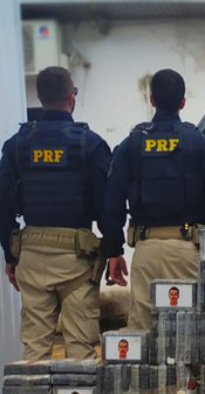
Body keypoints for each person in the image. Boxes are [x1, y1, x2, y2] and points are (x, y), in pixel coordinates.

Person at [104, 69, 205, 330]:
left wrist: (114, 250)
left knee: (142, 338)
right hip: (186, 250)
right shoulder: (197, 142)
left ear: (152, 100)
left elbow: (112, 200)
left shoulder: (132, 143)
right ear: (182, 102)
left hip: (145, 250)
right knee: (189, 336)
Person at [0, 67, 112, 361]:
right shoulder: (91, 144)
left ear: (39, 98)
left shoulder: (17, 145)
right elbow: (106, 206)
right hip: (77, 258)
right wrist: (113, 250)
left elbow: (2, 205)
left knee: (34, 352)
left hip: (33, 254)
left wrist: (10, 256)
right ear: (71, 98)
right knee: (81, 354)